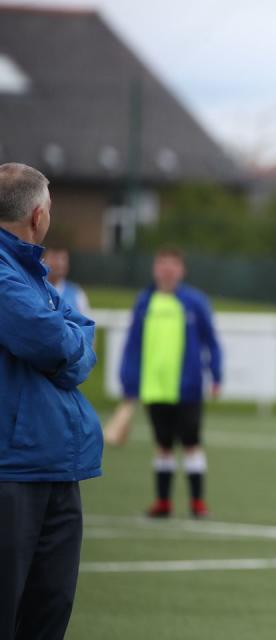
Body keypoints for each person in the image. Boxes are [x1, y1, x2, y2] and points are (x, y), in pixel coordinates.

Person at [0, 162, 102, 639]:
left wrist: (73, 343)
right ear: (38, 215)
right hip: (14, 469)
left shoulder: (30, 271)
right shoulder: (5, 276)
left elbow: (79, 334)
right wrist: (73, 343)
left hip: (54, 464)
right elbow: (56, 343)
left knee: (49, 612)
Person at [119, 247, 222, 519]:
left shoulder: (194, 302)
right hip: (154, 388)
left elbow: (211, 340)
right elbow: (133, 345)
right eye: (162, 264)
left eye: (173, 265)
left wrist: (216, 373)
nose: (167, 270)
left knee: (191, 443)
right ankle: (163, 502)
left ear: (182, 270)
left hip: (187, 388)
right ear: (155, 269)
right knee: (163, 444)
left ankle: (197, 502)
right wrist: (129, 381)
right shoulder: (145, 302)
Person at [42, 247, 90, 317]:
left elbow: (85, 323)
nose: (59, 263)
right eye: (54, 258)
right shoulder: (35, 290)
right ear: (43, 261)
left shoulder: (76, 292)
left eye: (63, 259)